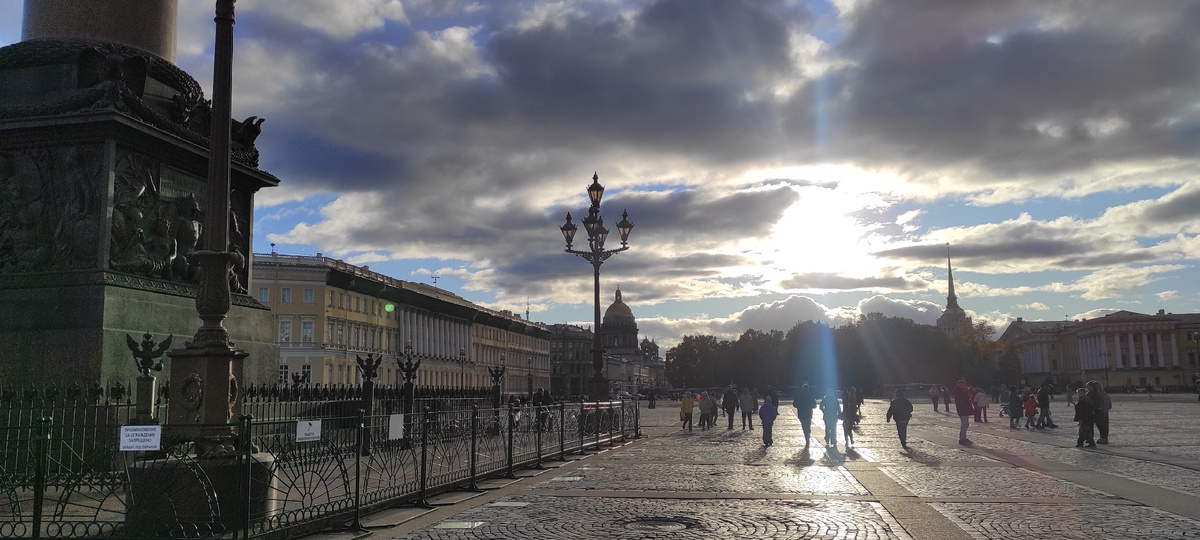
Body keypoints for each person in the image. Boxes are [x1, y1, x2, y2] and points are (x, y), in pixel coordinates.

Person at [952, 378, 974, 444]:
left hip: (964, 409)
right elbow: (964, 398)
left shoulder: (960, 391)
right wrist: (967, 391)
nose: (964, 386)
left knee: (966, 424)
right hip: (962, 410)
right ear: (960, 385)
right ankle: (962, 439)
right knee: (964, 424)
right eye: (963, 385)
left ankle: (964, 437)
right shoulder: (958, 391)